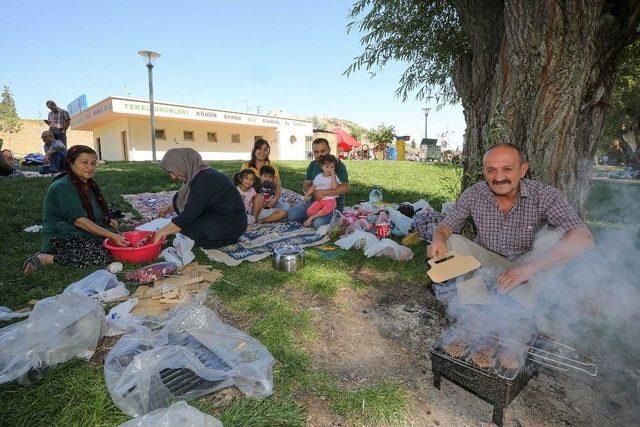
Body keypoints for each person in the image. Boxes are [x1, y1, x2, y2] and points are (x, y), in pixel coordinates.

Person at [428, 143, 595, 293]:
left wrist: (528, 269)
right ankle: (474, 308)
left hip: (531, 269)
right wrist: (438, 238)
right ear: (484, 172)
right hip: (488, 264)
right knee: (453, 242)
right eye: (491, 170)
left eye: (507, 169)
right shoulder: (474, 194)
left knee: (557, 242)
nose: (499, 177)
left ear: (523, 170)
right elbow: (446, 226)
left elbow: (583, 238)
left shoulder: (545, 195)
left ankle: (531, 306)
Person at [23, 145, 128, 274]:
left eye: (93, 163)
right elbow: (80, 220)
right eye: (84, 162)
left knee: (113, 246)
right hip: (62, 235)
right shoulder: (63, 186)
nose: (90, 167)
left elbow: (93, 211)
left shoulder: (88, 183)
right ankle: (46, 258)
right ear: (71, 163)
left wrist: (107, 220)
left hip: (81, 232)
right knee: (97, 257)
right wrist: (111, 234)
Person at [152, 148, 248, 249]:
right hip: (218, 215)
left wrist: (160, 233)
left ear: (182, 164)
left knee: (187, 227)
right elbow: (195, 201)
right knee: (183, 224)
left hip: (231, 224)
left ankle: (223, 239)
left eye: (172, 172)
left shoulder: (206, 180)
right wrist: (169, 207)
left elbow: (189, 214)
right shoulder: (200, 175)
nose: (173, 177)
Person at [288, 138, 350, 228]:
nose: (320, 154)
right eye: (316, 152)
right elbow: (306, 184)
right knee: (292, 215)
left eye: (323, 151)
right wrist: (314, 194)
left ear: (329, 150)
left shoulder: (338, 165)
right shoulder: (312, 165)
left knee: (318, 224)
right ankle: (312, 216)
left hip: (333, 204)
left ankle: (315, 218)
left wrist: (325, 193)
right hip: (315, 201)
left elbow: (345, 188)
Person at [240, 139, 288, 210]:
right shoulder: (246, 166)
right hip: (250, 199)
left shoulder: (272, 168)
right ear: (254, 150)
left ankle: (264, 219)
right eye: (259, 148)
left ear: (268, 152)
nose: (262, 152)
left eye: (265, 150)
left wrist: (270, 204)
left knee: (286, 209)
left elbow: (278, 189)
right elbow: (241, 185)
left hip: (269, 199)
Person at [302, 154, 341, 227]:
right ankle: (311, 217)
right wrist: (306, 195)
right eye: (327, 166)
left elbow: (334, 187)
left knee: (324, 211)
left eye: (332, 167)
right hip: (320, 200)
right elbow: (313, 187)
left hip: (330, 200)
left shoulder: (334, 177)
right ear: (322, 166)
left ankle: (312, 218)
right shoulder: (318, 177)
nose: (329, 169)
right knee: (310, 211)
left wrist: (333, 177)